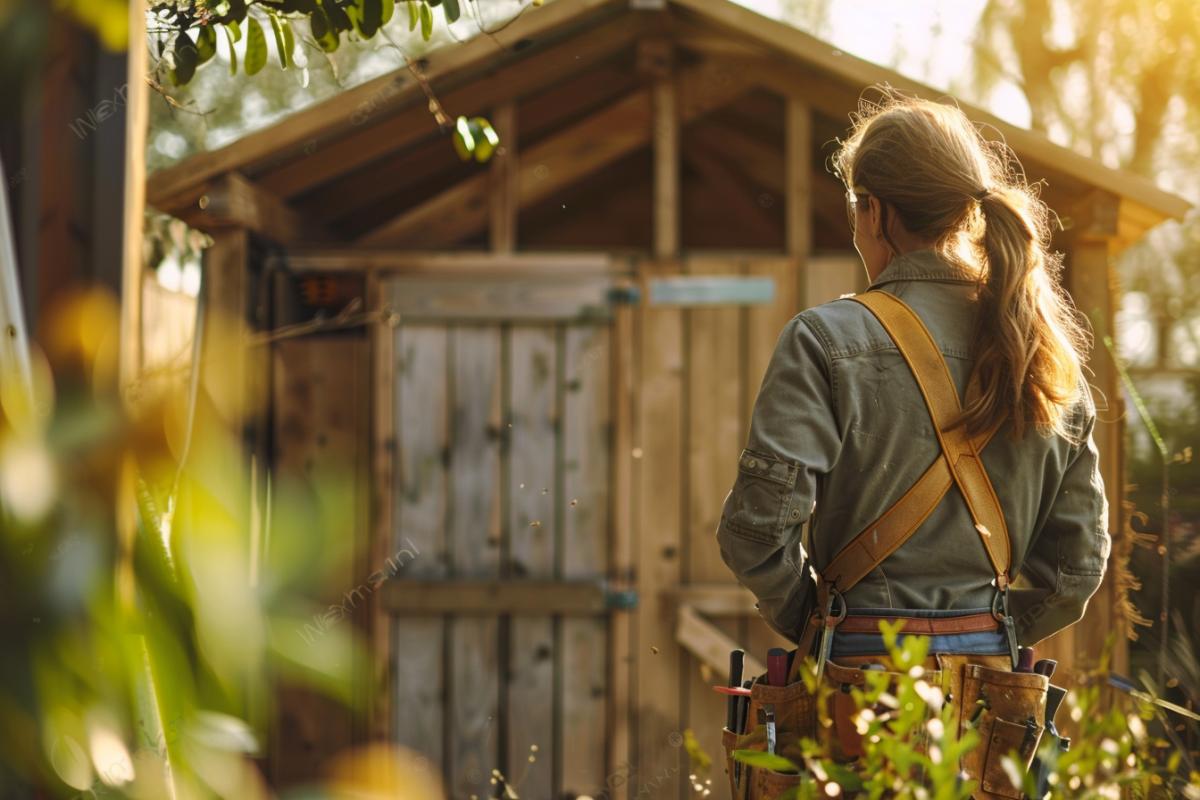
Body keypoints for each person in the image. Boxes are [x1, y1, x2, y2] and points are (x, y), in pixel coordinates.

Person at [714, 90, 1110, 787]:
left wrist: (819, 620)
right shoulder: (1046, 354)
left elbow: (754, 532)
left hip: (852, 685)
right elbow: (1077, 567)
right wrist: (990, 632)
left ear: (876, 211)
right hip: (994, 701)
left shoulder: (826, 340)